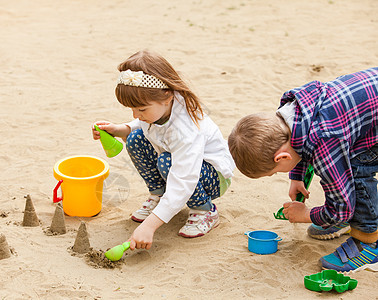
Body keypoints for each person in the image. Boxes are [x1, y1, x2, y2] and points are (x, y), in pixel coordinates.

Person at [228, 67, 378, 272]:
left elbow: (341, 207)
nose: (276, 174)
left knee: (356, 168)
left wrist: (307, 214)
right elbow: (304, 141)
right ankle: (354, 218)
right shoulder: (294, 109)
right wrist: (297, 176)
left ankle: (368, 241)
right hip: (367, 107)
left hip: (370, 131)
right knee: (344, 172)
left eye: (274, 171)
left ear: (281, 158)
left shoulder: (326, 140)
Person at [92, 50, 235, 250]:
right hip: (179, 165)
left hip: (212, 177)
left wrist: (149, 226)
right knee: (134, 138)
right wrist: (121, 129)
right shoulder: (158, 108)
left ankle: (205, 210)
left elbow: (184, 180)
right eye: (132, 110)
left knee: (166, 162)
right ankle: (159, 197)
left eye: (141, 109)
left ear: (167, 97)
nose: (137, 115)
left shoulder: (185, 130)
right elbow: (147, 126)